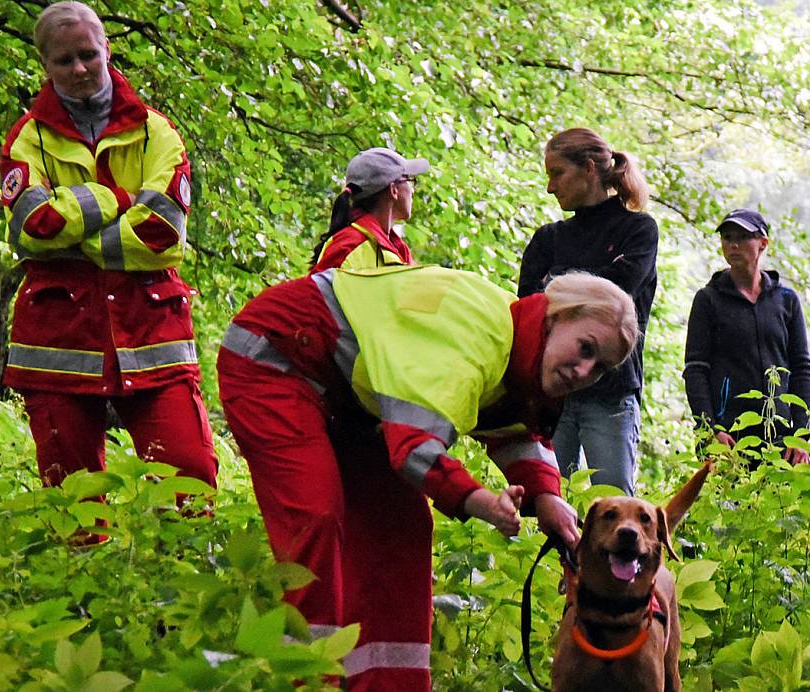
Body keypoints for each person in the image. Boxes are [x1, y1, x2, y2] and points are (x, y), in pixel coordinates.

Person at [217, 265, 637, 690]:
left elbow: (511, 430)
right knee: (317, 515)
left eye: (599, 368)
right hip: (276, 358)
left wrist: (546, 496)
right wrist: (479, 500)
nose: (584, 371)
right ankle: (306, 678)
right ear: (554, 317)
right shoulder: (473, 336)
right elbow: (414, 449)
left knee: (403, 528)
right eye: (585, 348)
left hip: (351, 404)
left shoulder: (518, 348)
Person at [0, 1, 217, 497]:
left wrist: (75, 227)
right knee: (72, 496)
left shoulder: (155, 131)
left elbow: (161, 233)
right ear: (44, 64)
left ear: (107, 50)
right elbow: (35, 224)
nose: (79, 68)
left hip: (153, 332)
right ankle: (81, 571)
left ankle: (178, 571)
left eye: (88, 55)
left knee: (189, 476)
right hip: (58, 342)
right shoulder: (26, 138)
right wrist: (113, 198)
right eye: (64, 60)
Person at [518, 128, 658, 495]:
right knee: (545, 504)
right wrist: (593, 281)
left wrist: (557, 281)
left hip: (611, 396)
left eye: (556, 173)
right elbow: (530, 312)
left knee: (614, 508)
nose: (550, 187)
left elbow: (618, 293)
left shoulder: (639, 231)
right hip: (551, 397)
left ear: (590, 168)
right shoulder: (548, 239)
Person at [682, 209, 810, 465]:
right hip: (727, 437)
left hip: (780, 439)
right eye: (727, 237)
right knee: (723, 504)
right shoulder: (708, 300)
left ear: (762, 244)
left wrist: (799, 436)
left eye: (743, 237)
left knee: (782, 504)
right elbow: (695, 369)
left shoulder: (786, 300)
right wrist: (711, 429)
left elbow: (801, 369)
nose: (733, 245)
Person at [310, 147, 427, 273]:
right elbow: (317, 291)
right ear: (394, 190)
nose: (413, 190)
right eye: (410, 180)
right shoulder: (348, 247)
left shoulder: (397, 249)